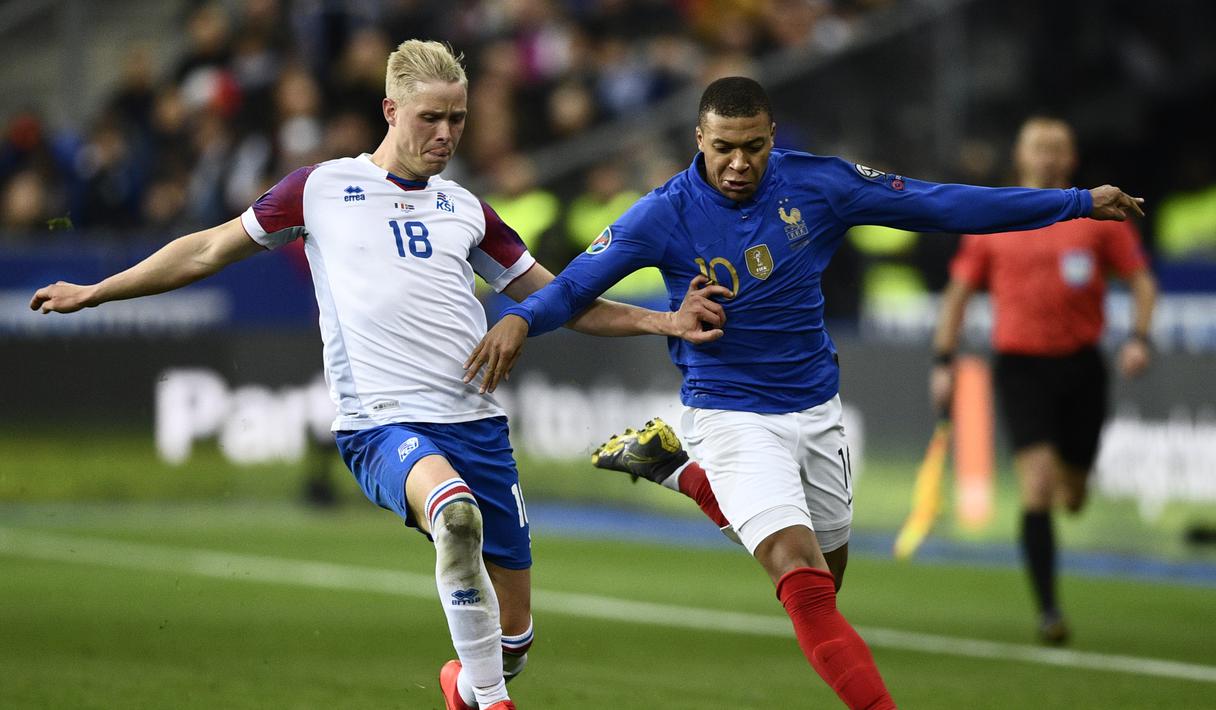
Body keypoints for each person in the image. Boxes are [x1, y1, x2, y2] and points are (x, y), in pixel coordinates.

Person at [29, 39, 725, 710]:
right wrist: (95, 291)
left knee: (512, 637)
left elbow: (559, 298)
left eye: (457, 118)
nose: (446, 133)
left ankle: (471, 684)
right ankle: (496, 705)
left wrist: (661, 320)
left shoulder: (466, 209)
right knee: (454, 517)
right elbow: (207, 249)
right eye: (431, 117)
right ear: (391, 111)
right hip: (382, 421)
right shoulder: (322, 188)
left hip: (477, 424)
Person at [464, 77, 1145, 709]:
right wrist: (521, 318)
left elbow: (940, 203)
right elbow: (574, 288)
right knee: (803, 583)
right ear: (698, 141)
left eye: (753, 147)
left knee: (825, 581)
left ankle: (679, 473)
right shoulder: (662, 214)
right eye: (723, 148)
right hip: (728, 412)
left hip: (816, 410)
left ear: (772, 137)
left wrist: (1076, 203)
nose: (738, 164)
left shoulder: (819, 185)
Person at [929, 116, 1157, 644]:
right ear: (1021, 155)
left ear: (1072, 158)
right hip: (1021, 367)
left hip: (1082, 366)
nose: (1050, 157)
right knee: (1036, 485)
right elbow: (958, 294)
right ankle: (1049, 610)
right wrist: (944, 358)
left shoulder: (1099, 213)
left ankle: (1072, 492)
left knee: (1071, 494)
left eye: (1059, 149)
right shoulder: (997, 216)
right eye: (1040, 148)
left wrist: (1140, 338)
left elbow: (1142, 282)